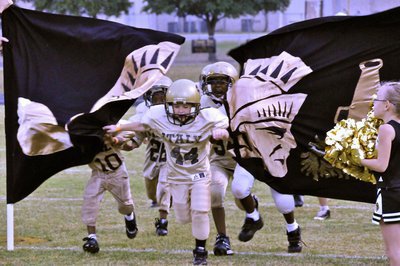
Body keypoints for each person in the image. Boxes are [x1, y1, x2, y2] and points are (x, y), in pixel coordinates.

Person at [104, 79, 230, 265]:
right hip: (176, 176)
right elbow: (143, 126)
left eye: (186, 106)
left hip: (199, 174)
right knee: (182, 216)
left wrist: (221, 133)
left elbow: (224, 129)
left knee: (200, 211)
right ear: (168, 105)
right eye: (177, 105)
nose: (181, 110)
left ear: (196, 105)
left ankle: (200, 251)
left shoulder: (208, 117)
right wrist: (120, 127)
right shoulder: (159, 116)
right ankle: (196, 240)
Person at [199, 61, 238, 256]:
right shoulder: (202, 105)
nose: (217, 86)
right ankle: (222, 237)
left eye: (222, 82)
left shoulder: (240, 102)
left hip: (242, 161)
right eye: (213, 82)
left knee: (241, 195)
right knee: (215, 195)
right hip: (219, 159)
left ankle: (251, 207)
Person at [360, 81, 400, 266]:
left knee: (394, 252)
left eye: (377, 99)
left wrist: (353, 159)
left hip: (392, 193)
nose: (373, 103)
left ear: (387, 105)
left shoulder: (386, 129)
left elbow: (381, 165)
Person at [81, 131, 138, 254]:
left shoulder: (108, 130)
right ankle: (92, 238)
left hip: (117, 172)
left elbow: (127, 143)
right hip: (98, 174)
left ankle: (130, 216)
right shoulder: (80, 138)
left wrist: (115, 140)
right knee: (89, 204)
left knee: (126, 206)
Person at [130, 76, 172, 236]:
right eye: (155, 96)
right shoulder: (144, 112)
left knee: (164, 188)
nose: (159, 99)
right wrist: (127, 144)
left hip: (169, 159)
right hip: (152, 158)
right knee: (152, 193)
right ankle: (166, 202)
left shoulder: (175, 113)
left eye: (162, 95)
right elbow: (137, 138)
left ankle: (162, 222)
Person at [231, 164, 303, 253]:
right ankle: (253, 217)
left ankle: (293, 228)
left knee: (284, 203)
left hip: (275, 156)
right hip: (250, 154)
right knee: (239, 188)